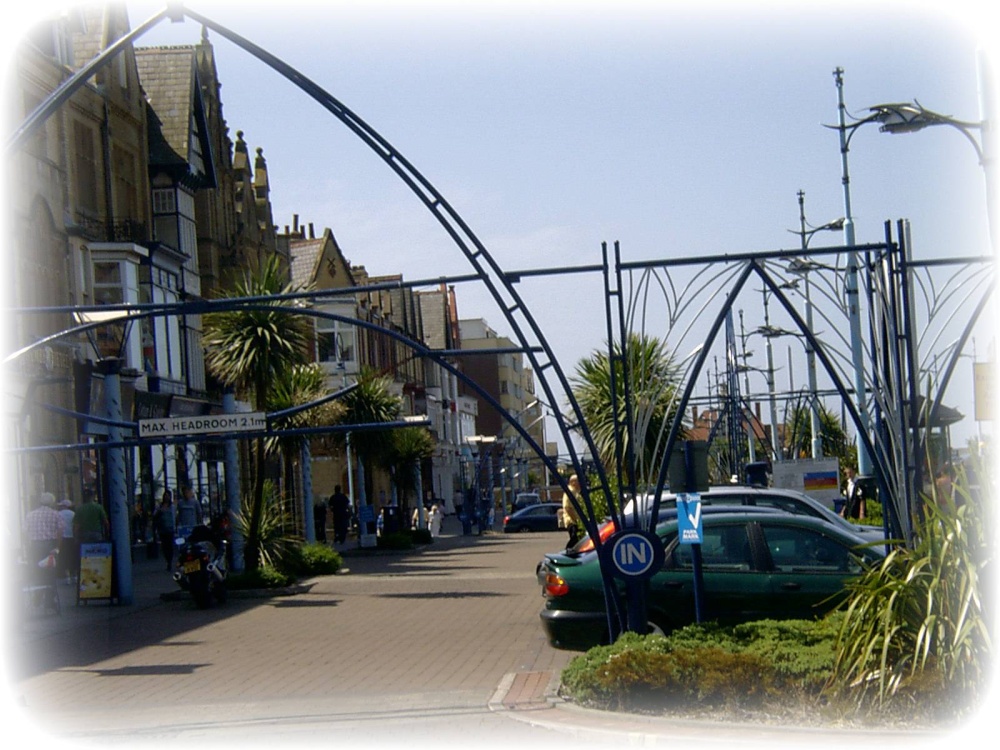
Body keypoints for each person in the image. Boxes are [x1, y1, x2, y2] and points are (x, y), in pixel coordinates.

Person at [24, 492, 65, 608]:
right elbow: (60, 532)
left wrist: (28, 546)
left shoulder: (30, 515)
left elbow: (25, 532)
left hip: (35, 545)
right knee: (50, 572)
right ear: (52, 502)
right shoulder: (56, 514)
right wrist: (57, 547)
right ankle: (49, 600)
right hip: (49, 545)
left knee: (37, 571)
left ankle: (37, 598)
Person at [153, 491, 176, 571]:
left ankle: (170, 561)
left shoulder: (172, 506)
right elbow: (154, 515)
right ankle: (167, 560)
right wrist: (160, 511)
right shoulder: (159, 506)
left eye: (168, 496)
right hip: (162, 529)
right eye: (165, 496)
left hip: (170, 529)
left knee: (170, 546)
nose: (166, 497)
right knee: (165, 547)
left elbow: (174, 517)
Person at [57, 499, 76, 583]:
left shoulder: (58, 514)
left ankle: (65, 574)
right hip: (72, 537)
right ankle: (73, 574)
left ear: (64, 506)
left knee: (63, 556)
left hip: (62, 538)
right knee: (72, 556)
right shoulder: (73, 514)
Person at [563, 475, 581, 549]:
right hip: (572, 521)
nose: (580, 483)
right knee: (575, 539)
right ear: (572, 482)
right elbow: (568, 508)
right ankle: (567, 551)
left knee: (579, 541)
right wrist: (576, 521)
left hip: (577, 520)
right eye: (578, 481)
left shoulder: (576, 491)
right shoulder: (570, 491)